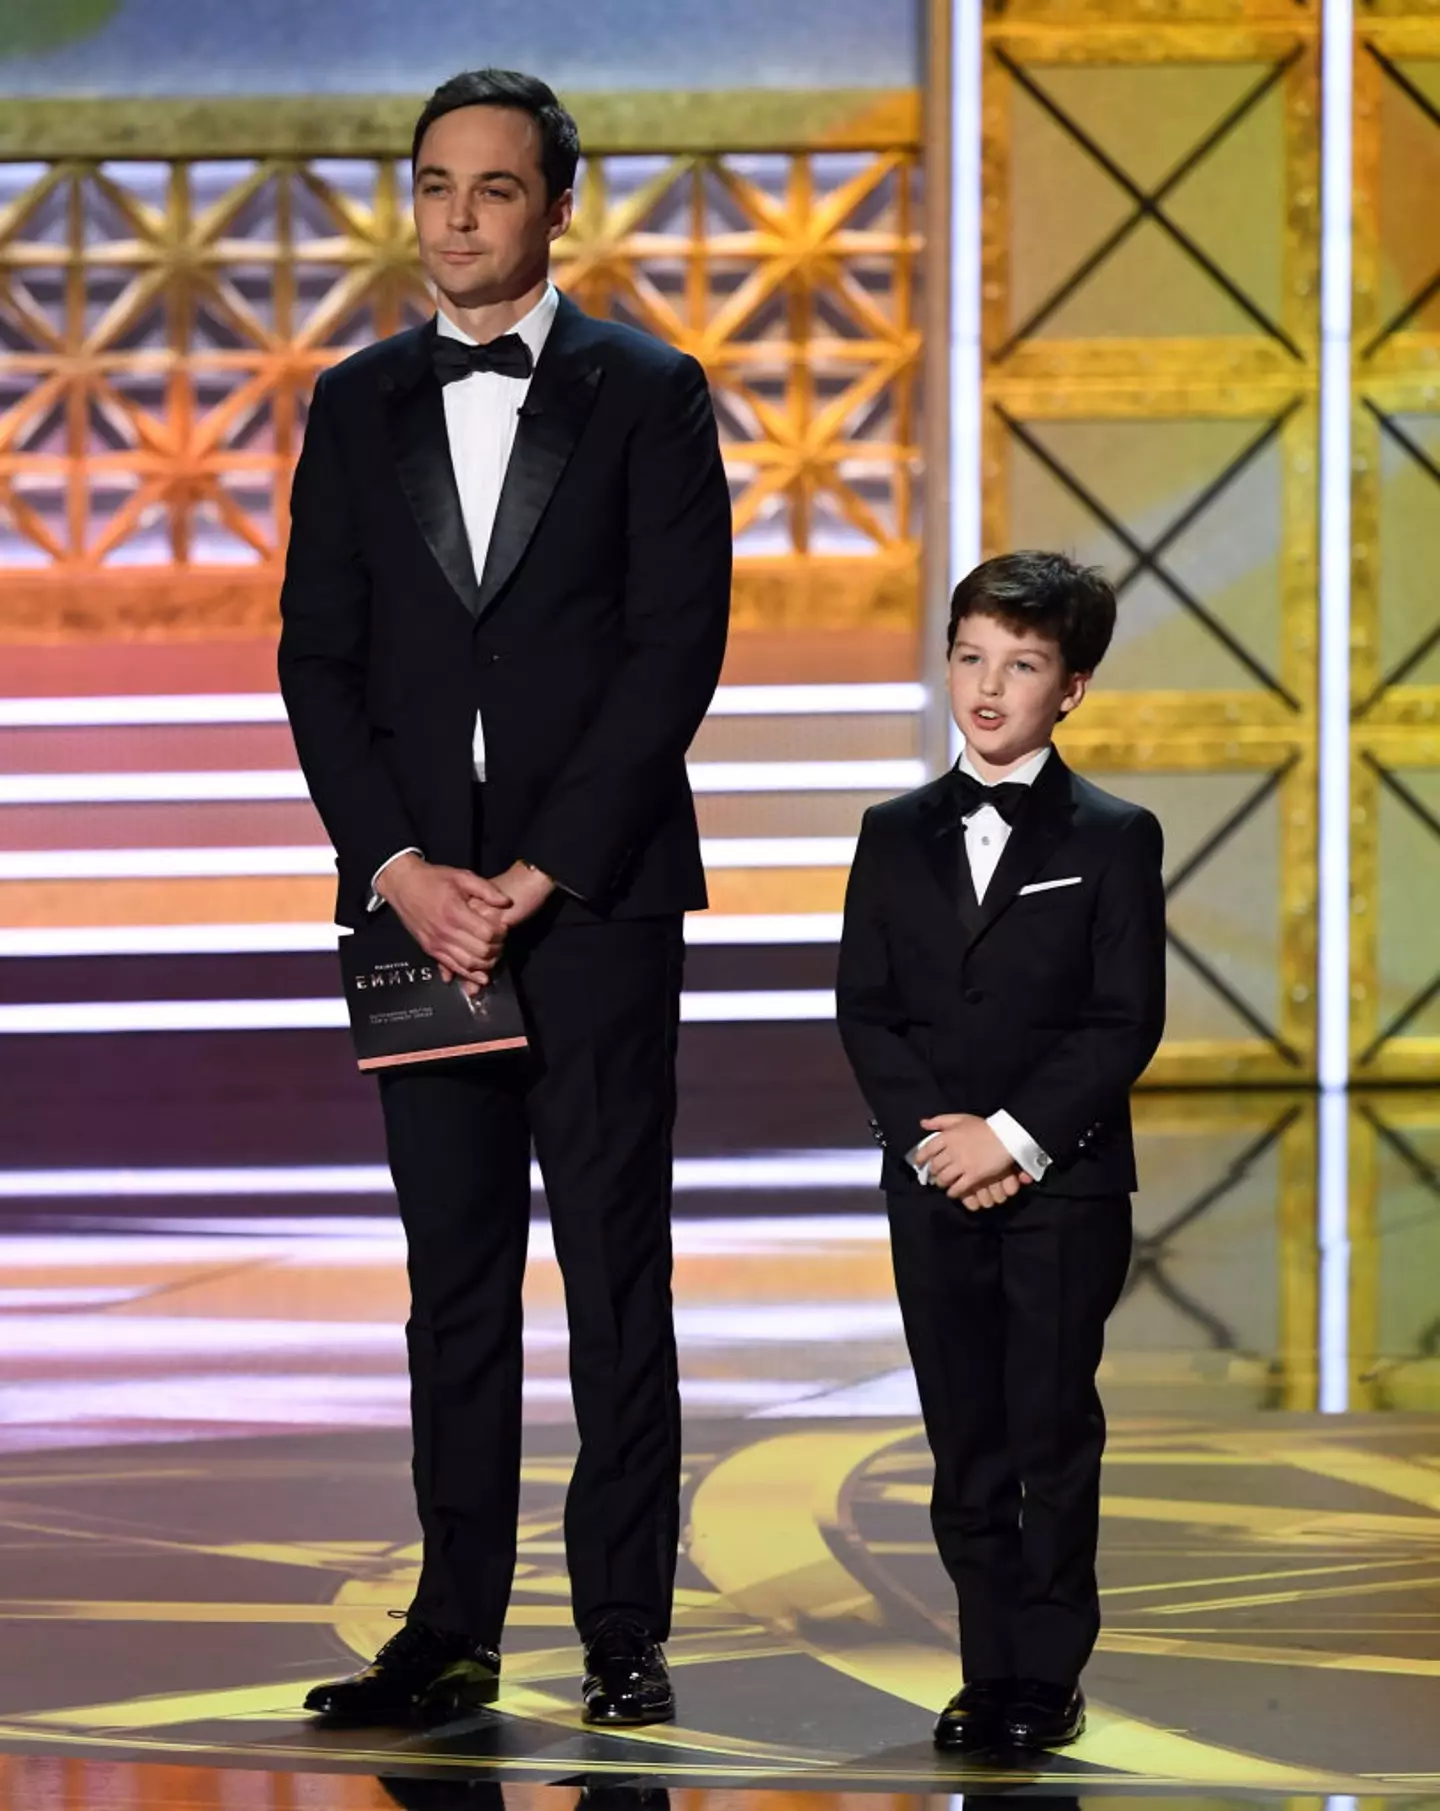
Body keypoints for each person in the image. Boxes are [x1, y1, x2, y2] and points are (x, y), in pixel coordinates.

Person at [278, 68, 731, 1728]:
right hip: (416, 917)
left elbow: (671, 652)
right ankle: (449, 1628)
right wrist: (406, 870)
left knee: (619, 1267)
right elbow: (317, 659)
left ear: (556, 208)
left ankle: (624, 1628)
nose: (457, 217)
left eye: (492, 189)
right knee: (450, 1274)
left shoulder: (650, 390)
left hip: (595, 905)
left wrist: (533, 875)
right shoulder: (356, 399)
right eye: (436, 185)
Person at [836, 551, 1166, 1753]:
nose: (987, 687)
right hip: (931, 1182)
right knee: (961, 1432)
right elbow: (865, 1008)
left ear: (1070, 687)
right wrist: (941, 1146)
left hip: (1063, 1183)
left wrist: (1013, 1137)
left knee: (1047, 1428)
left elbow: (1124, 1017)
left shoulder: (1116, 835)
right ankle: (987, 1667)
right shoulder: (891, 831)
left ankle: (1048, 1670)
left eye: (1021, 665)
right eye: (970, 656)